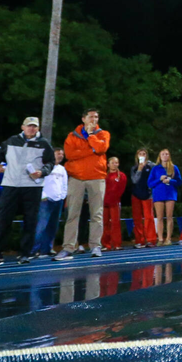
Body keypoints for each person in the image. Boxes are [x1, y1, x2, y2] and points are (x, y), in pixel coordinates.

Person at [0, 117, 53, 267]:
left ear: (38, 128)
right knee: (3, 219)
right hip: (11, 185)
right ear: (22, 127)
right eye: (29, 126)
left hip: (32, 186)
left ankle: (25, 253)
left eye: (34, 126)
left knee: (30, 220)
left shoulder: (44, 143)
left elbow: (51, 162)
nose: (32, 129)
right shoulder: (11, 141)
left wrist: (42, 172)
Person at [59, 109, 110, 260]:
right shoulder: (72, 135)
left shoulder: (103, 134)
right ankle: (68, 247)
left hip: (97, 177)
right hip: (76, 178)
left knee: (97, 214)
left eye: (96, 117)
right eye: (91, 117)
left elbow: (101, 149)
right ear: (83, 119)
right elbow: (69, 154)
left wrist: (91, 136)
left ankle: (95, 246)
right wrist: (91, 149)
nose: (94, 119)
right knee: (72, 214)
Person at [32, 148, 68, 258]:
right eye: (58, 153)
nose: (60, 156)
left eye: (62, 154)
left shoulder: (62, 169)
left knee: (53, 226)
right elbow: (37, 181)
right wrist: (43, 196)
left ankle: (46, 249)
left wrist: (62, 196)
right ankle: (34, 250)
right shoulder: (44, 167)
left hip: (58, 200)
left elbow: (65, 184)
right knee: (41, 226)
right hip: (46, 201)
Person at [148, 148, 181, 244]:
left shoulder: (174, 168)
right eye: (163, 154)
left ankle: (168, 238)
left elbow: (179, 182)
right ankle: (160, 238)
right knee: (159, 217)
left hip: (170, 194)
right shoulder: (155, 168)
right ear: (160, 156)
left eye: (167, 154)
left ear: (169, 156)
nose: (165, 156)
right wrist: (159, 179)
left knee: (169, 216)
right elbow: (150, 183)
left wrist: (170, 180)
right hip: (158, 194)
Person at [129, 148, 158, 248]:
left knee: (149, 217)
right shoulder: (134, 168)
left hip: (147, 194)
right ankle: (139, 240)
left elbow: (156, 175)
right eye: (140, 154)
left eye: (144, 154)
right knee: (137, 218)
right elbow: (134, 180)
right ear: (137, 156)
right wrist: (139, 169)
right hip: (136, 194)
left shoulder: (151, 166)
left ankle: (151, 240)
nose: (142, 155)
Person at [102, 156, 127, 251]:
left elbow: (121, 189)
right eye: (112, 163)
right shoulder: (104, 175)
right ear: (108, 165)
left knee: (115, 223)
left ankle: (117, 244)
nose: (114, 164)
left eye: (116, 163)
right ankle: (106, 244)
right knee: (104, 223)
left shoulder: (121, 176)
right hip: (104, 203)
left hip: (115, 203)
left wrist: (114, 199)